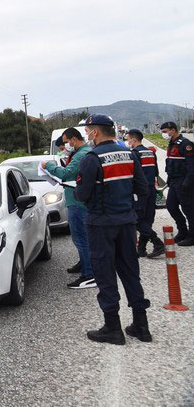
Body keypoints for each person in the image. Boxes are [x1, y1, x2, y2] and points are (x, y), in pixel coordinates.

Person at [75, 114, 150, 344]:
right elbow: (144, 189)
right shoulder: (129, 155)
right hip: (126, 223)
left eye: (88, 131)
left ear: (95, 132)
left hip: (101, 225)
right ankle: (141, 326)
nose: (87, 134)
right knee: (130, 272)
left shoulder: (91, 158)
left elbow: (81, 194)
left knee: (105, 274)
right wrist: (130, 210)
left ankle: (112, 328)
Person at [42, 127, 95, 288]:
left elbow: (66, 174)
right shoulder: (80, 153)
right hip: (76, 200)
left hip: (78, 203)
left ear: (73, 139)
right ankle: (84, 264)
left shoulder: (81, 154)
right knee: (80, 238)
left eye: (66, 142)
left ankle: (89, 274)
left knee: (81, 238)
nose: (65, 146)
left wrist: (48, 166)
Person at [125, 129, 165, 258]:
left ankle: (157, 243)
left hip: (140, 192)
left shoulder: (134, 154)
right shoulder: (150, 152)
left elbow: (133, 175)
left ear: (134, 139)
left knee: (137, 220)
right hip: (151, 190)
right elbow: (156, 173)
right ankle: (141, 249)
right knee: (147, 219)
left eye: (128, 138)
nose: (127, 141)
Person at [160, 121, 194, 245]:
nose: (163, 134)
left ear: (172, 130)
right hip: (174, 181)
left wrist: (188, 182)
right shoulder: (172, 144)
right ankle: (183, 231)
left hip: (184, 181)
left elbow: (191, 166)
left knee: (188, 209)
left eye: (165, 132)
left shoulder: (185, 144)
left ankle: (192, 235)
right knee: (171, 206)